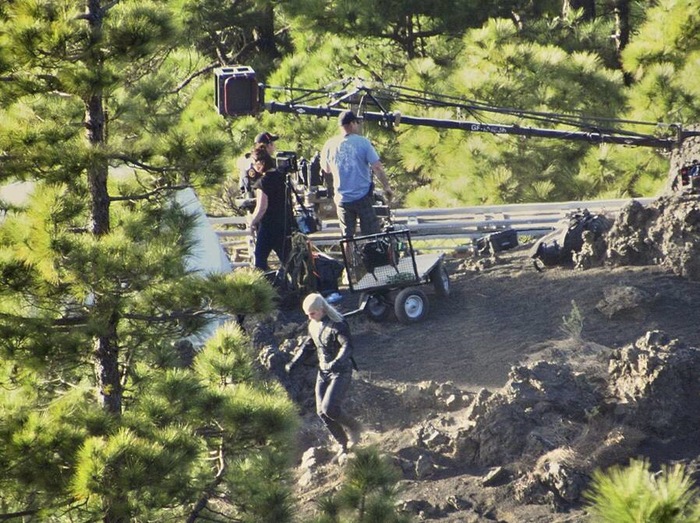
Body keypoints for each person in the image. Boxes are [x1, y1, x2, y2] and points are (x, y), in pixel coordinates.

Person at [287, 293, 361, 461]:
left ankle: (354, 428)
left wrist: (336, 361)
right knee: (321, 412)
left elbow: (347, 346)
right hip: (323, 372)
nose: (310, 317)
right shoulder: (313, 325)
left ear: (321, 310)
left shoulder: (338, 324)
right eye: (307, 314)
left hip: (340, 371)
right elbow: (309, 345)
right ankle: (343, 444)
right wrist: (293, 363)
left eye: (312, 313)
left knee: (330, 409)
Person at [321, 110, 393, 239]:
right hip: (363, 195)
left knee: (347, 237)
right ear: (353, 123)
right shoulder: (363, 142)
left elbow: (326, 169)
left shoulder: (329, 144)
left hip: (342, 198)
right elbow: (377, 167)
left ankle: (349, 259)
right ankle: (372, 258)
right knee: (371, 234)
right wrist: (386, 187)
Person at [248, 144, 293, 271]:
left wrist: (252, 222)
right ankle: (296, 285)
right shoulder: (282, 177)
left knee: (260, 259)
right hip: (284, 223)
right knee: (287, 259)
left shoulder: (263, 182)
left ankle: (267, 285)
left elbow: (262, 206)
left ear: (261, 163)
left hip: (269, 226)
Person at [238, 131, 280, 198]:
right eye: (273, 143)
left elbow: (242, 186)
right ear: (269, 145)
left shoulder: (246, 162)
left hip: (250, 199)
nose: (274, 146)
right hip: (267, 200)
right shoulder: (272, 162)